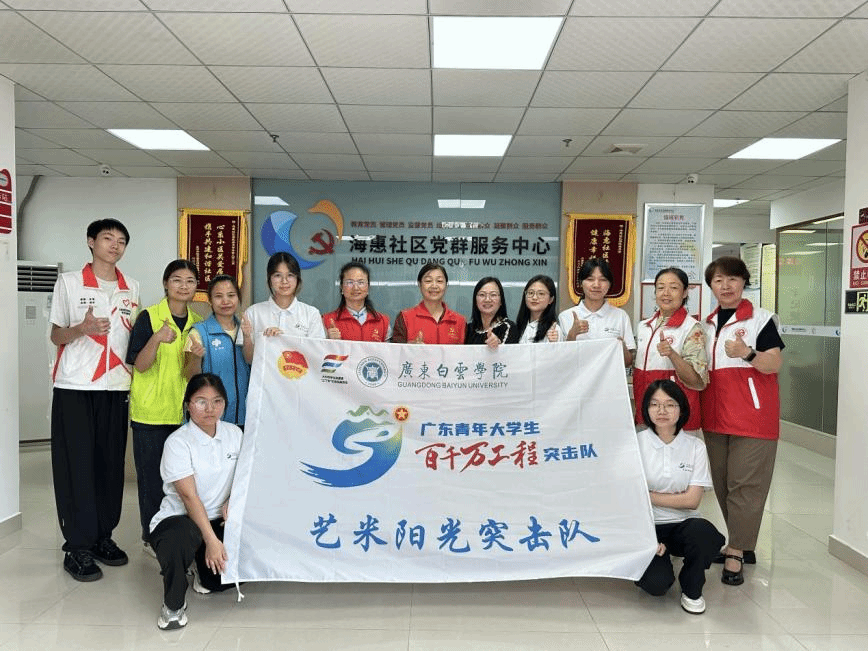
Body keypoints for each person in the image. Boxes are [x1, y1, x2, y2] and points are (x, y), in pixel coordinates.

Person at [49, 219, 139, 581]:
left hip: (116, 387)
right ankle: (78, 546)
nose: (115, 245)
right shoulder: (70, 282)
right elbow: (56, 335)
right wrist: (82, 329)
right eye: (107, 238)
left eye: (121, 241)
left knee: (109, 466)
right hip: (76, 387)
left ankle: (103, 536)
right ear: (91, 241)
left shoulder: (131, 287)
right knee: (77, 467)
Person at [701, 256, 784, 586]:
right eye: (718, 280)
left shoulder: (761, 320)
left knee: (745, 485)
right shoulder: (706, 324)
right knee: (723, 484)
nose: (726, 286)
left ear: (743, 283)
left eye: (732, 279)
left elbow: (774, 363)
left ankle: (736, 550)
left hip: (753, 417)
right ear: (711, 286)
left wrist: (747, 353)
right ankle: (741, 540)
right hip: (715, 417)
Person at [149, 373, 242, 630]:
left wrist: (233, 499)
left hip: (219, 519)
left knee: (220, 580)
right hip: (180, 520)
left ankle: (201, 570)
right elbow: (189, 497)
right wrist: (211, 541)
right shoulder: (178, 442)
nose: (210, 409)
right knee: (181, 536)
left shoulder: (235, 434)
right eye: (201, 401)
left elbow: (245, 477)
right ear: (188, 404)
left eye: (217, 401)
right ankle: (173, 605)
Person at [127, 259, 203, 554]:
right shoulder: (149, 317)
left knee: (181, 482)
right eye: (177, 280)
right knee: (152, 481)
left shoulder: (197, 322)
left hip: (182, 416)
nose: (184, 286)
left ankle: (177, 537)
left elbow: (190, 374)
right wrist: (157, 338)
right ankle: (150, 537)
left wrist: (196, 357)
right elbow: (140, 365)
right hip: (150, 414)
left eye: (190, 281)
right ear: (165, 284)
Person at [635, 380, 725, 614]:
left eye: (669, 404)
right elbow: (628, 497)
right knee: (656, 585)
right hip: (646, 526)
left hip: (683, 524)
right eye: (654, 404)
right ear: (646, 409)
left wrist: (646, 495)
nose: (662, 410)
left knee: (704, 534)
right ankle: (653, 561)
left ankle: (692, 589)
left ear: (681, 409)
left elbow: (691, 501)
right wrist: (644, 539)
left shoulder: (695, 447)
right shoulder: (635, 444)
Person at [633, 267, 708, 434]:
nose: (666, 293)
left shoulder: (691, 328)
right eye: (660, 287)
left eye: (674, 287)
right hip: (646, 415)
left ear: (685, 292)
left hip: (678, 419)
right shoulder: (644, 327)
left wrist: (672, 354)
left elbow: (697, 382)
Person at [185, 274, 250, 427]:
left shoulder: (246, 330)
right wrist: (196, 358)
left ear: (238, 298)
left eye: (231, 295)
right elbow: (189, 377)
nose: (225, 301)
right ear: (210, 300)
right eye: (218, 296)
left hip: (245, 417)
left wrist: (248, 336)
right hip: (211, 419)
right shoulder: (198, 332)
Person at [243, 252, 325, 364]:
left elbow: (316, 357)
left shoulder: (311, 314)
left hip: (299, 374)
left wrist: (286, 342)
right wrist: (253, 338)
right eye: (278, 275)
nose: (284, 281)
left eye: (290, 275)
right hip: (264, 376)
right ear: (269, 279)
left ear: (297, 279)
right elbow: (248, 360)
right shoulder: (253, 312)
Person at [557, 257, 635, 365]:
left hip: (609, 376)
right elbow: (561, 359)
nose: (596, 285)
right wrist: (572, 334)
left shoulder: (621, 316)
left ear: (609, 284)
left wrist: (622, 346)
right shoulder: (565, 316)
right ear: (581, 283)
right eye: (590, 279)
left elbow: (628, 362)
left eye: (603, 280)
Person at [390, 262, 465, 344]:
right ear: (419, 284)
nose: (434, 286)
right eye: (428, 281)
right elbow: (396, 350)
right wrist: (410, 348)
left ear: (446, 286)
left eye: (439, 281)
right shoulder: (405, 318)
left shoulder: (460, 321)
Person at [322, 261, 390, 342]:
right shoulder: (327, 320)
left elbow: (389, 349)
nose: (356, 288)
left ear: (368, 287)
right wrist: (329, 342)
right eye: (350, 282)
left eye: (361, 282)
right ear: (342, 287)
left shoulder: (382, 321)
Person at [464, 276, 519, 347]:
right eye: (482, 295)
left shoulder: (508, 327)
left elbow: (509, 353)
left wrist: (499, 345)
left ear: (501, 301)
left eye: (493, 295)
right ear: (475, 300)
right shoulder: (468, 329)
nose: (487, 299)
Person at [515, 275, 563, 343]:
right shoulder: (519, 326)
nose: (534, 297)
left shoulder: (554, 330)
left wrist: (553, 343)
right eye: (531, 293)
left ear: (551, 299)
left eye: (541, 294)